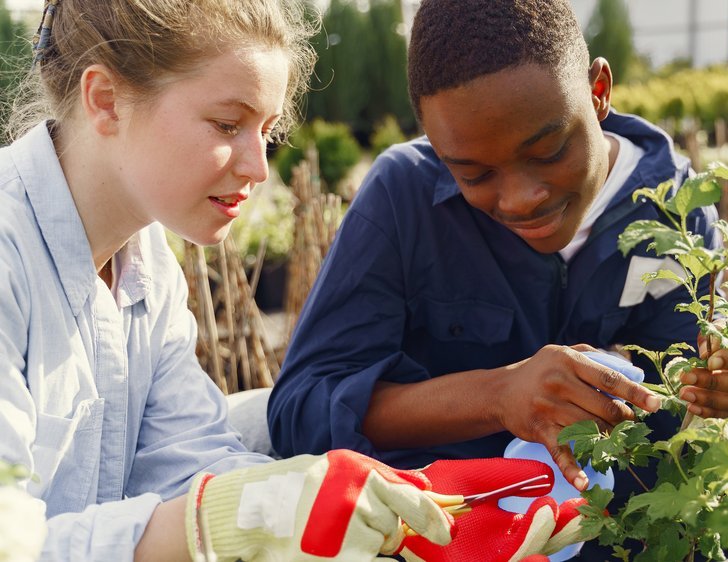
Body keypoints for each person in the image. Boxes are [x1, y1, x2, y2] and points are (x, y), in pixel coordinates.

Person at [0, 1, 583, 560]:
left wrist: (395, 513)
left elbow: (187, 458)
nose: (258, 166)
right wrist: (233, 517)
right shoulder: (10, 255)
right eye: (228, 123)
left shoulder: (144, 263)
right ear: (106, 100)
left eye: (267, 129)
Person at [268, 2, 728, 559]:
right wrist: (496, 395)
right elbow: (298, 412)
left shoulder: (673, 210)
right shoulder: (403, 199)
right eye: (473, 174)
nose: (521, 198)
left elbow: (682, 397)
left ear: (598, 93)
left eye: (548, 152)